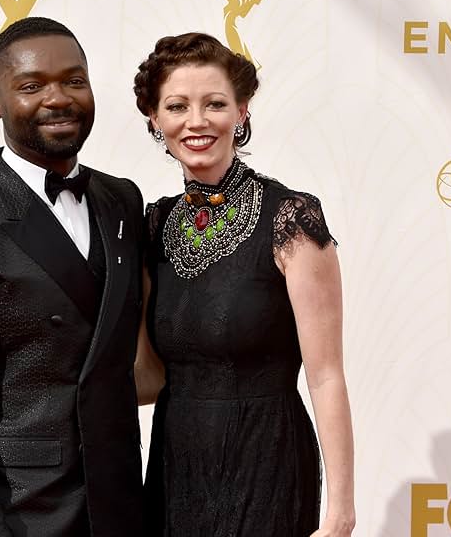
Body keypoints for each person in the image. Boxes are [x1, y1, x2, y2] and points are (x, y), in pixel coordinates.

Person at [0, 17, 144, 537]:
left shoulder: (122, 200)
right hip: (27, 513)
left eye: (73, 81)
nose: (57, 98)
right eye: (32, 86)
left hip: (123, 505)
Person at [133, 32, 356, 536]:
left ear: (242, 111)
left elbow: (325, 375)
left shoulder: (291, 218)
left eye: (214, 104)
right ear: (155, 119)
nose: (196, 121)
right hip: (176, 463)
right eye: (177, 106)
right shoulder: (153, 225)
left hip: (267, 458)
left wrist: (340, 511)